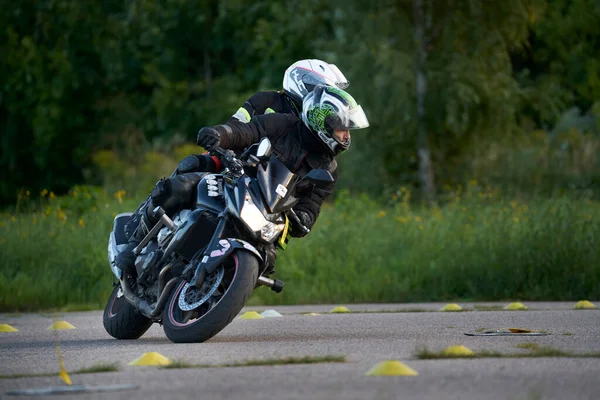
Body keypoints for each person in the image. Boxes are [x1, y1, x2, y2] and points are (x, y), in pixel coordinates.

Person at [116, 84, 369, 277]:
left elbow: (312, 205)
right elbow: (246, 131)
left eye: (347, 131)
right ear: (321, 120)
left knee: (267, 262)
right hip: (238, 179)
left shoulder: (330, 169)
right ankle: (135, 243)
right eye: (342, 129)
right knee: (179, 186)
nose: (346, 137)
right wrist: (219, 134)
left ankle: (216, 290)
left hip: (269, 213)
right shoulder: (285, 123)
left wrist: (302, 221)